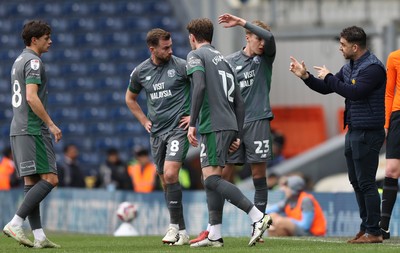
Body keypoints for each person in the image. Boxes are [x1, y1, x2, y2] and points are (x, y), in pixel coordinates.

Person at [290, 26, 386, 243]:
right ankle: (366, 227)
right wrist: (305, 76)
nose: (339, 49)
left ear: (355, 46)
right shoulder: (351, 66)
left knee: (367, 182)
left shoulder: (373, 68)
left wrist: (330, 77)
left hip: (368, 133)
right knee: (356, 181)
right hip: (353, 130)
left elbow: (354, 92)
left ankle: (374, 231)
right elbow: (327, 88)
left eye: (343, 45)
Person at [190, 13, 276, 244]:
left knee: (259, 174)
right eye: (258, 39)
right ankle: (214, 228)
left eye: (263, 40)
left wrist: (240, 22)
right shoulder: (229, 61)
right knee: (219, 175)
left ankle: (256, 229)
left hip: (258, 120)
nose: (263, 43)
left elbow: (270, 37)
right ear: (248, 38)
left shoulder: (265, 57)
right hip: (233, 123)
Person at [125, 28, 191, 245]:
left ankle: (172, 228)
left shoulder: (182, 66)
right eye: (166, 48)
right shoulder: (140, 72)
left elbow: (201, 88)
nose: (170, 51)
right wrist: (144, 121)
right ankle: (182, 230)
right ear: (152, 49)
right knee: (165, 180)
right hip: (157, 133)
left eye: (171, 46)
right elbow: (130, 99)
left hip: (178, 129)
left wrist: (194, 116)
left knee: (171, 174)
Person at [3, 20, 62, 248]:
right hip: (33, 128)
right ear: (34, 39)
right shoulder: (34, 62)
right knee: (51, 179)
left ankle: (38, 236)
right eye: (47, 38)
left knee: (32, 181)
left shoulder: (19, 60)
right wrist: (51, 124)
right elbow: (31, 96)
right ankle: (16, 222)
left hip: (18, 128)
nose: (50, 41)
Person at [380, 48, 400, 240]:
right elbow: (388, 92)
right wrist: (386, 124)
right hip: (398, 116)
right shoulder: (394, 57)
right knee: (391, 170)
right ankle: (383, 227)